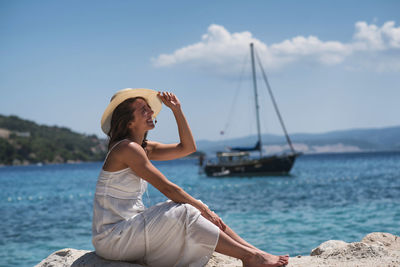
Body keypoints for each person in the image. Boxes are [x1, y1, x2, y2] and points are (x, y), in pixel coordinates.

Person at [92, 88, 289, 267]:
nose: (151, 112)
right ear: (128, 121)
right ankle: (250, 257)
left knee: (193, 207)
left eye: (149, 107)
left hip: (127, 232)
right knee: (187, 209)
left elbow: (187, 148)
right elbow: (168, 188)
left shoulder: (143, 148)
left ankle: (255, 252)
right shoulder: (127, 149)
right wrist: (203, 210)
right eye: (143, 109)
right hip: (113, 238)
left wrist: (177, 110)